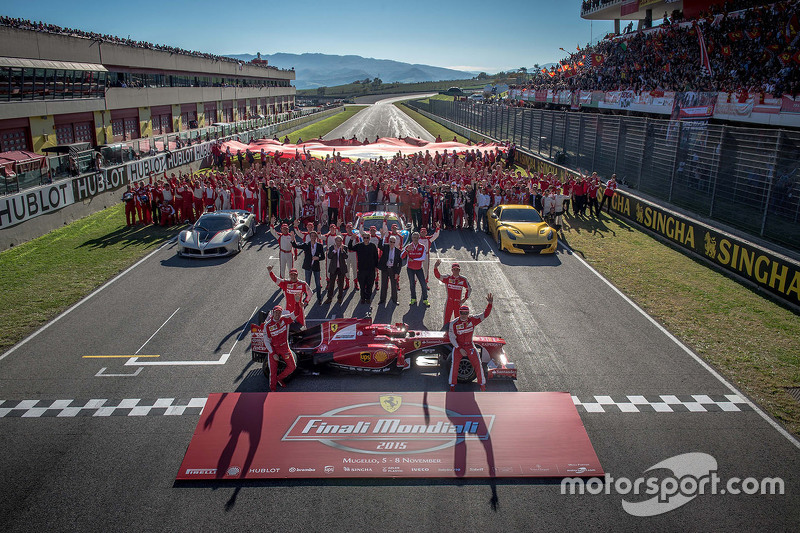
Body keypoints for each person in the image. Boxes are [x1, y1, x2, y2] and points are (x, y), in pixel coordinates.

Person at [448, 293, 493, 392]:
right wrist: (459, 348)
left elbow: (485, 314)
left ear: (468, 313)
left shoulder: (473, 319)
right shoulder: (453, 323)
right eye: (462, 313)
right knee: (454, 365)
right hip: (458, 347)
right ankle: (452, 385)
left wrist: (489, 304)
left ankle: (482, 385)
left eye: (465, 313)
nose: (464, 315)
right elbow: (451, 337)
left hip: (470, 345)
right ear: (459, 313)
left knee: (478, 364)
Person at [261, 305, 297, 392]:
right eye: (276, 312)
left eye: (279, 312)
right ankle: (273, 390)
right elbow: (266, 341)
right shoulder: (267, 325)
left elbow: (296, 314)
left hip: (284, 347)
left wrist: (297, 302)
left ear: (281, 314)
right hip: (274, 349)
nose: (277, 314)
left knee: (292, 367)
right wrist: (273, 353)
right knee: (272, 371)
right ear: (273, 313)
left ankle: (279, 378)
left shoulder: (285, 319)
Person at [433, 259, 472, 329]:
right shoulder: (448, 278)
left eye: (457, 269)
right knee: (446, 320)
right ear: (452, 270)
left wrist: (464, 299)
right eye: (454, 269)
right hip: (449, 302)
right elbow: (438, 276)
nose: (456, 271)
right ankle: (445, 333)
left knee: (458, 320)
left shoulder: (463, 279)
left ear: (459, 270)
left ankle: (458, 333)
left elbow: (469, 289)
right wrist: (435, 267)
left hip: (458, 303)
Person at [291, 230, 325, 302]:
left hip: (316, 267)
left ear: (316, 237)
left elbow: (323, 257)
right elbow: (295, 246)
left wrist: (317, 258)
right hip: (308, 267)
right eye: (312, 236)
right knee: (307, 283)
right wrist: (293, 238)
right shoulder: (306, 245)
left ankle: (319, 298)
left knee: (318, 284)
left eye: (314, 236)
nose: (313, 237)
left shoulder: (319, 246)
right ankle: (307, 298)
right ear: (310, 237)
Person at [348, 231, 380, 304]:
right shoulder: (359, 245)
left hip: (371, 270)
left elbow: (376, 257)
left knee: (370, 285)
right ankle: (362, 298)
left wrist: (376, 267)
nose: (366, 239)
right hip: (361, 269)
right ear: (362, 238)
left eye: (367, 238)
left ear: (369, 238)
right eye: (364, 237)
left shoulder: (373, 246)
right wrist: (351, 240)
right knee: (362, 285)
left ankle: (368, 298)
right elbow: (350, 248)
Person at [402, 232, 429, 306]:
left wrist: (413, 260)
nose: (415, 239)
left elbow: (423, 258)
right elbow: (401, 256)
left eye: (417, 238)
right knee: (412, 284)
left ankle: (425, 299)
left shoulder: (422, 247)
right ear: (412, 238)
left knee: (423, 284)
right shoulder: (408, 246)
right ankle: (413, 299)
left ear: (419, 238)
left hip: (419, 268)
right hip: (410, 269)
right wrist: (407, 250)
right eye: (414, 237)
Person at [377, 235, 403, 305]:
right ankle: (382, 300)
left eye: (393, 242)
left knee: (394, 285)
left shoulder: (398, 251)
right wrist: (381, 237)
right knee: (384, 285)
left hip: (393, 270)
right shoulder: (385, 247)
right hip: (385, 269)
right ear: (389, 241)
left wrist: (397, 273)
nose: (392, 243)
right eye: (390, 242)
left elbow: (400, 264)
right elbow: (379, 246)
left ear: (395, 243)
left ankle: (394, 300)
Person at [325, 235, 348, 304]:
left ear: (342, 241)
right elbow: (329, 256)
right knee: (331, 284)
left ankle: (340, 298)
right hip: (333, 268)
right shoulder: (332, 247)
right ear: (335, 241)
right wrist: (334, 251)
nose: (339, 242)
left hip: (341, 268)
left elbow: (346, 256)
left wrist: (342, 251)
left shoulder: (344, 247)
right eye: (337, 241)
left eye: (340, 241)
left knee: (341, 284)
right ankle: (329, 298)